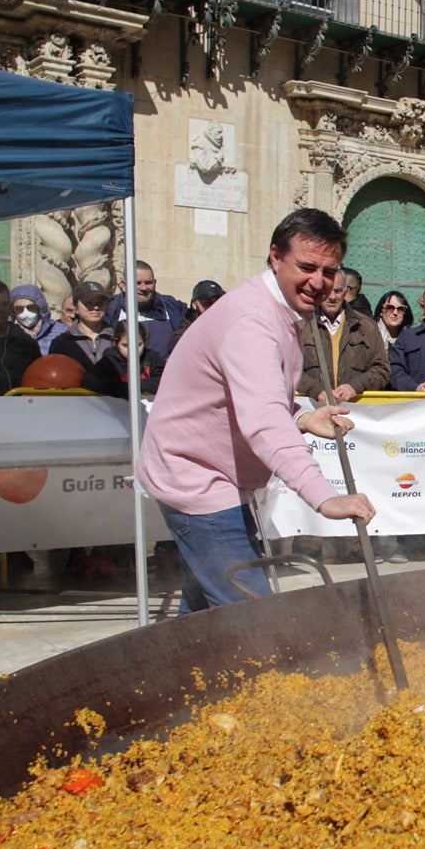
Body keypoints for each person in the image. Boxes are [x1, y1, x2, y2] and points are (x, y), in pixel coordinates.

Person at [136, 208, 374, 611]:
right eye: (306, 266)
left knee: (204, 608)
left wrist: (300, 415)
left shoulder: (282, 311)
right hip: (195, 476)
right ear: (275, 257)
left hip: (214, 474)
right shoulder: (252, 322)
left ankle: (172, 670)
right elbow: (264, 422)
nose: (319, 282)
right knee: (251, 613)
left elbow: (259, 391)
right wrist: (324, 498)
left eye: (330, 271)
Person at [297, 269, 390, 402]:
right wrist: (316, 390)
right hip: (314, 411)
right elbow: (290, 368)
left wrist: (354, 387)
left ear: (346, 292)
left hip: (357, 413)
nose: (332, 297)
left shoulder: (367, 326)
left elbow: (382, 369)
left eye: (338, 291)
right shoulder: (302, 326)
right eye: (327, 290)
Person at [105, 260, 189, 358]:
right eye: (137, 283)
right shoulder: (110, 310)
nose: (143, 288)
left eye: (148, 282)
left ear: (155, 283)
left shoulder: (172, 308)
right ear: (124, 285)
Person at [81, 318, 164, 398]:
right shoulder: (110, 361)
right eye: (125, 345)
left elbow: (166, 381)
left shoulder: (152, 357)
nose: (133, 350)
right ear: (116, 343)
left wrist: (136, 386)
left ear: (144, 341)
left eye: (138, 345)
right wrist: (124, 388)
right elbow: (89, 381)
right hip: (118, 408)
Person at [49, 281, 114, 367]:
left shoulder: (116, 338)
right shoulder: (62, 343)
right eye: (89, 303)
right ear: (76, 308)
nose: (95, 307)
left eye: (100, 303)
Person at [9, 283, 65, 356]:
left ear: (40, 308)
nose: (25, 313)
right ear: (13, 311)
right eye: (19, 309)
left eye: (30, 307)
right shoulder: (7, 334)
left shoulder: (61, 332)